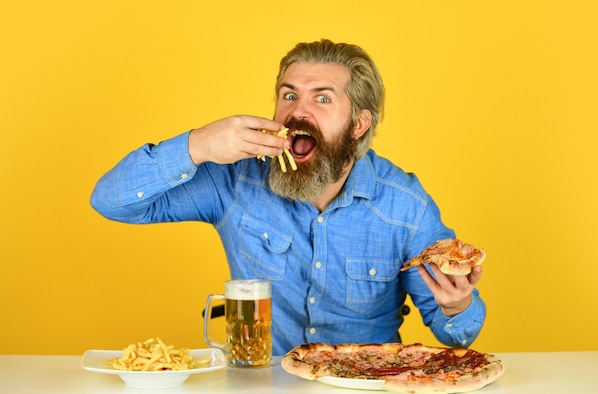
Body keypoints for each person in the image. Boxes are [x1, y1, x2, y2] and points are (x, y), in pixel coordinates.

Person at [90, 39, 486, 356]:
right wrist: (197, 144)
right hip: (260, 382)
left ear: (359, 124)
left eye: (323, 98)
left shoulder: (405, 206)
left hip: (367, 385)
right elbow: (110, 200)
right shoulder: (235, 180)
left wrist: (455, 307)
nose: (298, 111)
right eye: (289, 95)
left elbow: (458, 336)